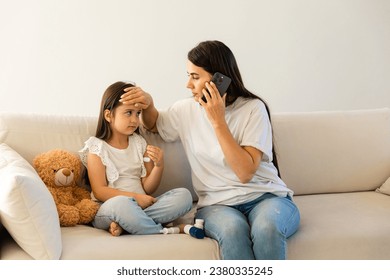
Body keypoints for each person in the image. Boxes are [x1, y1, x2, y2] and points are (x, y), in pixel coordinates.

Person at [120, 40, 300, 259]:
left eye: (195, 77)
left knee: (266, 228)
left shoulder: (253, 109)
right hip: (217, 204)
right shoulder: (185, 109)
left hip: (267, 197)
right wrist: (148, 104)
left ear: (219, 79)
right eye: (188, 75)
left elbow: (245, 173)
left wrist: (218, 121)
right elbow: (155, 124)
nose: (188, 84)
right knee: (233, 231)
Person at [79, 81, 192, 236]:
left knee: (184, 196)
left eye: (138, 113)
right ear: (108, 115)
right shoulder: (97, 148)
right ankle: (161, 230)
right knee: (122, 205)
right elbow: (99, 191)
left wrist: (159, 166)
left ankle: (129, 225)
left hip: (141, 208)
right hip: (109, 208)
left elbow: (147, 189)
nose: (135, 120)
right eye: (128, 113)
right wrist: (135, 198)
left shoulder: (139, 143)